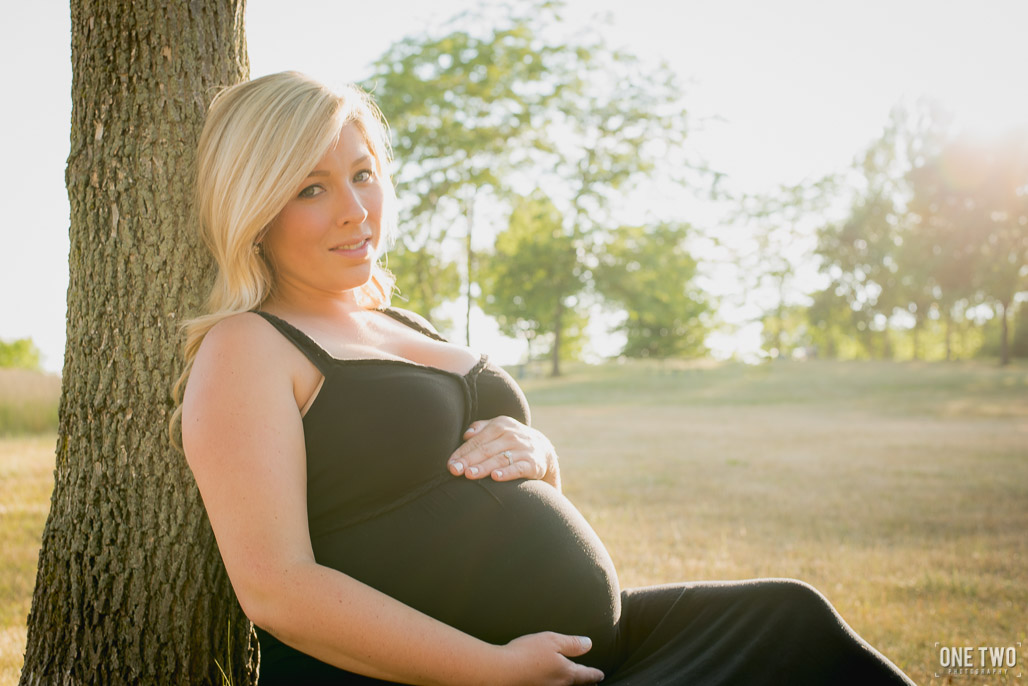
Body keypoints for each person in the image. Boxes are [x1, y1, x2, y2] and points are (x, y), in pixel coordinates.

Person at [171, 71, 915, 685]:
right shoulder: (248, 345)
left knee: (788, 620)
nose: (355, 210)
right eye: (312, 189)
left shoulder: (404, 326)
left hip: (582, 652)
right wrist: (490, 669)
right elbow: (276, 588)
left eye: (362, 175)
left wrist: (539, 459)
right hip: (459, 676)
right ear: (256, 208)